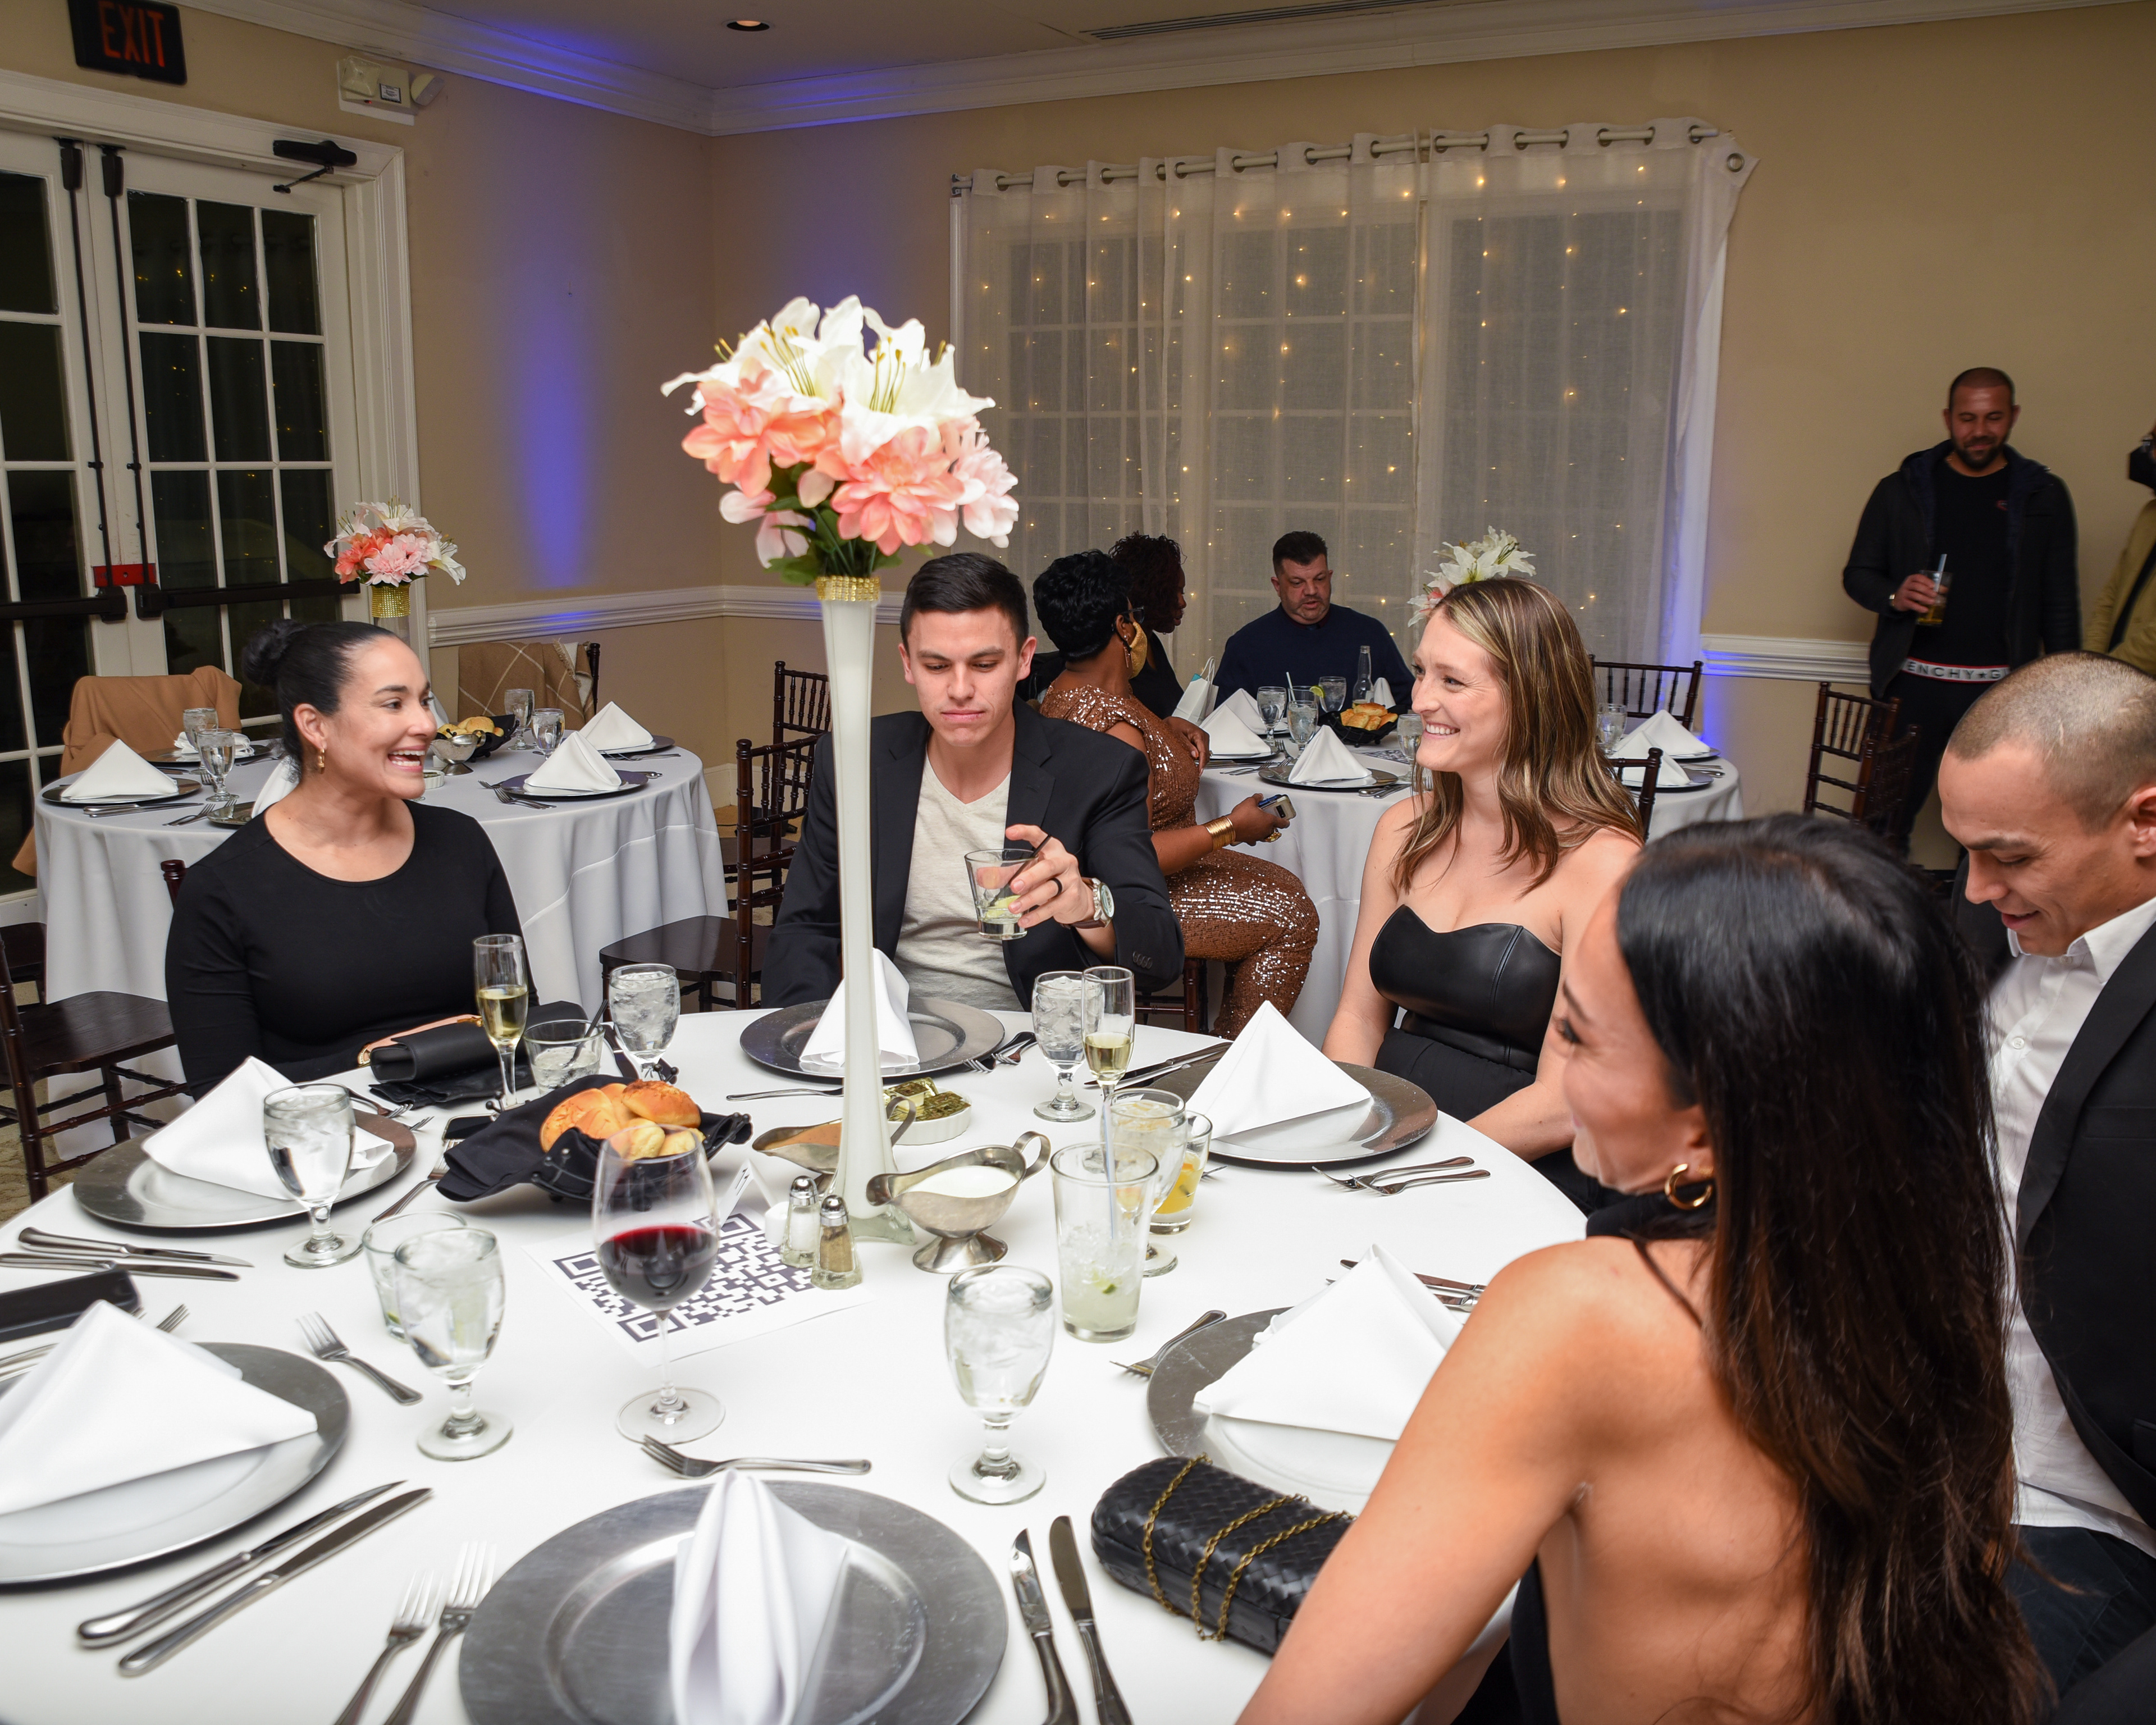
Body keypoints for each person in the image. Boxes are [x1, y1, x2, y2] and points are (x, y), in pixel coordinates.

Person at [1243, 816, 2042, 1725]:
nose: (1559, 1077)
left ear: (1707, 1121)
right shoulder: (1943, 1299)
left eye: (1578, 1038)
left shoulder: (1581, 1313)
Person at [1935, 652, 2156, 1707]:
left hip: (2080, 1493)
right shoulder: (1997, 917)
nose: (1978, 888)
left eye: (2009, 856)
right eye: (1964, 853)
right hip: (1919, 1423)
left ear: (2145, 822)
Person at [1322, 577, 1638, 1211]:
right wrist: (1343, 1137)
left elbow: (1566, 1100)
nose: (1420, 700)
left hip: (1518, 1169)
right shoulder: (1403, 830)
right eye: (1421, 673)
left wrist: (1417, 1169)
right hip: (1387, 1140)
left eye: (1453, 681)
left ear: (1532, 698)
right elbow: (1358, 1016)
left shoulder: (1604, 864)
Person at [766, 553, 1181, 1011]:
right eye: (937, 666)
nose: (960, 690)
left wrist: (1087, 907)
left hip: (1034, 1039)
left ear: (1023, 659)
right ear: (908, 664)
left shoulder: (1101, 770)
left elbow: (1160, 958)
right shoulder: (854, 759)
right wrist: (810, 1037)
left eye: (984, 664)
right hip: (895, 1035)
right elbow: (804, 931)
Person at [166, 620, 523, 1087]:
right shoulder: (224, 889)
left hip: (483, 1107)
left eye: (423, 700)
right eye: (393, 704)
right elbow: (220, 1089)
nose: (426, 724)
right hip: (327, 1122)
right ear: (315, 726)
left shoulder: (460, 841)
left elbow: (519, 1017)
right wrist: (376, 1059)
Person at [1034, 551, 1318, 1036]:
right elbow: (1133, 855)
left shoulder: (1067, 692)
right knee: (1291, 913)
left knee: (1285, 885)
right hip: (1130, 898)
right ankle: (1233, 1060)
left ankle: (1229, 1047)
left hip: (1121, 879)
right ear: (1124, 626)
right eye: (1134, 615)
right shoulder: (1116, 730)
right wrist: (1232, 827)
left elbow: (1119, 726)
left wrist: (1165, 728)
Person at [1840, 366, 2079, 846]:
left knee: (1998, 832)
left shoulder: (2044, 496)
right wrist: (1896, 595)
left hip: (2002, 696)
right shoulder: (1902, 489)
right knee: (1882, 826)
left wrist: (2066, 697)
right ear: (1948, 418)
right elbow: (1858, 574)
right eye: (1968, 419)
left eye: (1993, 418)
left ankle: (1977, 901)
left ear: (2013, 416)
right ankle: (1880, 899)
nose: (1980, 431)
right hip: (1911, 688)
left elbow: (2060, 604)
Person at [1214, 530, 1412, 706]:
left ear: (1330, 577)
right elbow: (1223, 719)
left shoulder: (1369, 633)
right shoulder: (1247, 644)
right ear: (1278, 586)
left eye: (1320, 579)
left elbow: (1410, 704)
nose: (1311, 591)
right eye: (1297, 583)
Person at [2085, 421, 2156, 675]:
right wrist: (2092, 663)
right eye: (2150, 442)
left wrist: (2109, 673)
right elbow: (2111, 596)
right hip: (2117, 684)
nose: (2148, 454)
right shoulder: (2149, 516)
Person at [1107, 531, 1191, 719]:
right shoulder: (1119, 656)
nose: (1182, 603)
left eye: (1183, 593)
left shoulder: (1151, 642)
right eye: (1175, 593)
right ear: (1150, 593)